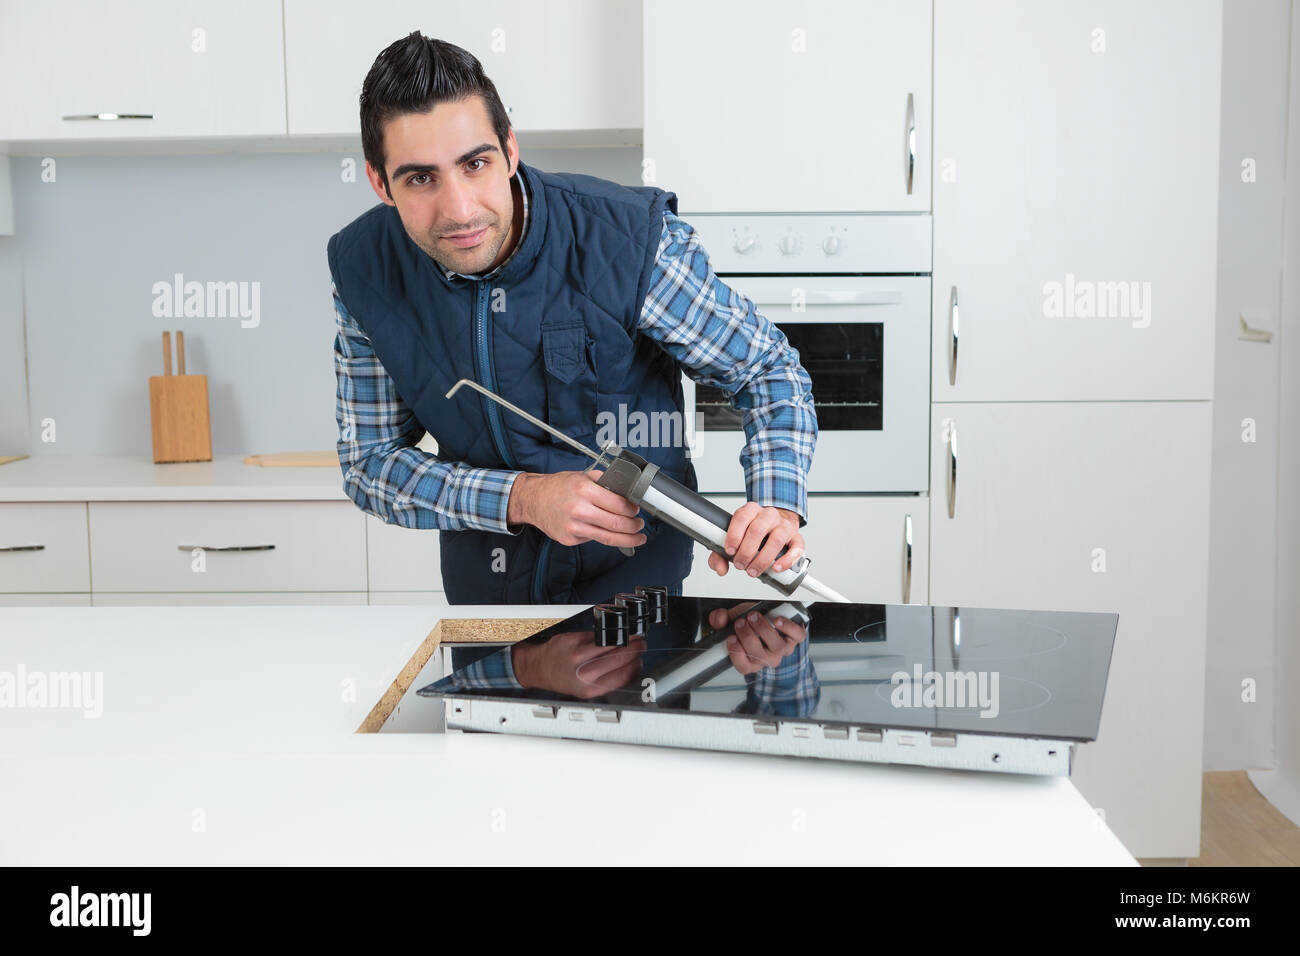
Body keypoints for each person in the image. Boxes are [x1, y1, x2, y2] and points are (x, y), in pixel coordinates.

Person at [329, 32, 817, 605]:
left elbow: (766, 371)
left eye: (475, 164)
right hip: (486, 606)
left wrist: (776, 505)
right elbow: (370, 465)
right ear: (379, 182)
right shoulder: (365, 269)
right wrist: (523, 498)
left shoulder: (629, 241)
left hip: (639, 600)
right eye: (420, 178)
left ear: (510, 150)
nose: (459, 210)